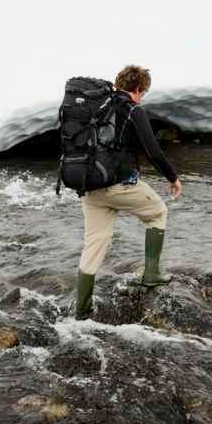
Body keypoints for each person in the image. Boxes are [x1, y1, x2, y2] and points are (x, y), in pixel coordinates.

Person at [75, 65, 183, 320]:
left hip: (89, 187)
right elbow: (153, 150)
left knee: (94, 245)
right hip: (120, 185)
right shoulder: (133, 109)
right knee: (158, 212)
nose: (142, 97)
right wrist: (173, 178)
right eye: (143, 92)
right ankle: (151, 274)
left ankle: (81, 313)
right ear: (136, 89)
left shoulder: (96, 108)